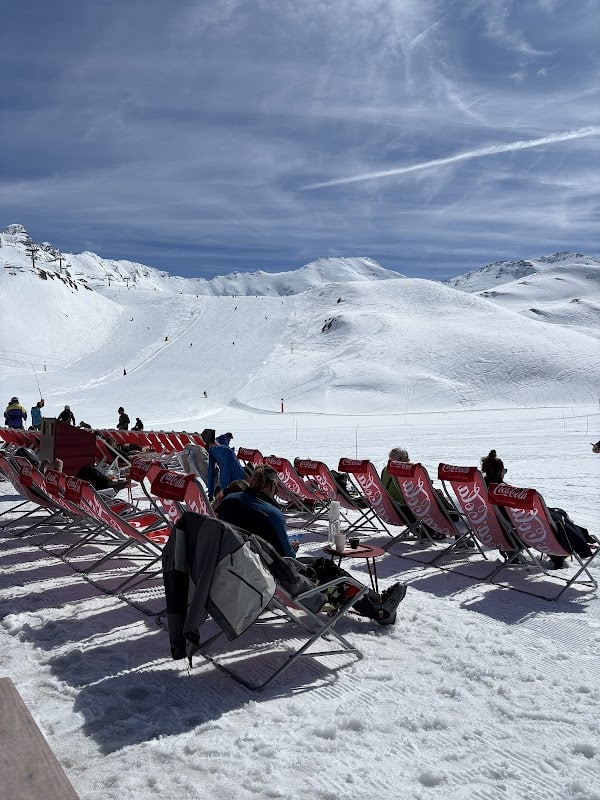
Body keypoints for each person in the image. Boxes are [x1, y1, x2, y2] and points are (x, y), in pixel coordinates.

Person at [216, 465, 407, 626]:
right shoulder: (270, 513)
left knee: (320, 567)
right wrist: (292, 547)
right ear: (273, 485)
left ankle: (364, 599)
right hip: (274, 576)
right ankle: (380, 610)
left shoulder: (230, 502)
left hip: (242, 570)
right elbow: (288, 557)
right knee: (329, 571)